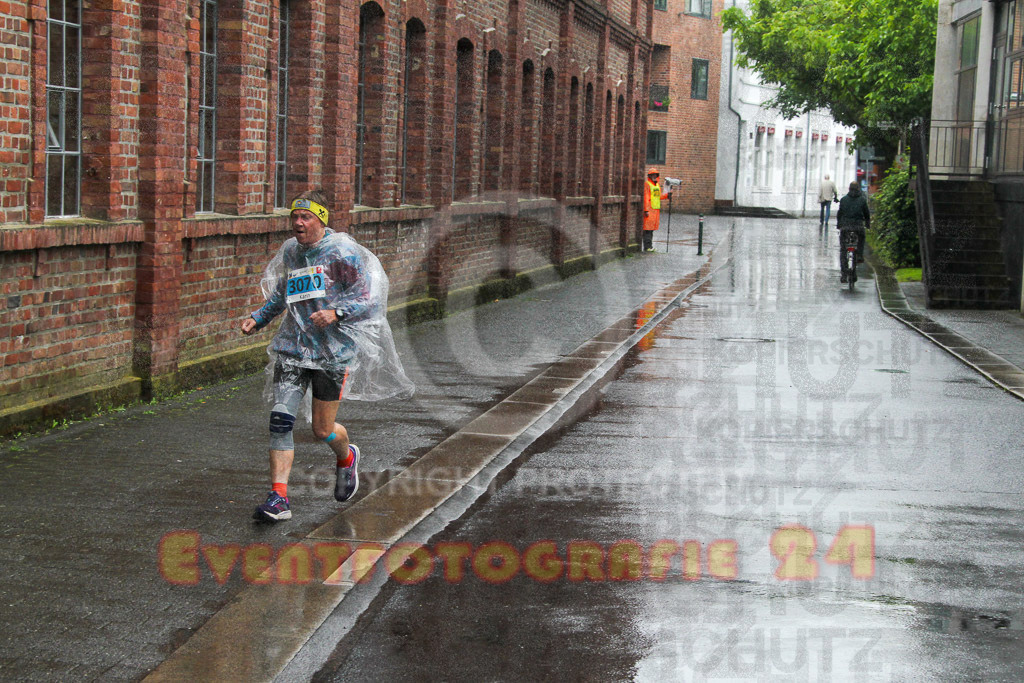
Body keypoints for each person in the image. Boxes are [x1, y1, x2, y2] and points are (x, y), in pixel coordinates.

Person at [241, 190, 413, 522]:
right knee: (280, 420)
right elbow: (283, 293)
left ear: (321, 219)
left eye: (305, 218)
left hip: (331, 352)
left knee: (321, 430)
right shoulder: (292, 251)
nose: (298, 224)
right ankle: (278, 499)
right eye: (294, 217)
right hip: (292, 347)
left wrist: (337, 312)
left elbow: (370, 300)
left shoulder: (342, 253)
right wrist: (258, 317)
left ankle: (347, 456)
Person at [835, 180, 870, 282]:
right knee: (861, 238)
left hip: (845, 227)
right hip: (858, 227)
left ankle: (844, 273)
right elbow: (866, 214)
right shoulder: (862, 200)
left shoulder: (843, 200)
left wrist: (839, 225)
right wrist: (867, 224)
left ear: (849, 189)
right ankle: (859, 254)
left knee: (843, 249)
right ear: (858, 189)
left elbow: (840, 213)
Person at [642, 168, 669, 252]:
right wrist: (646, 210)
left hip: (655, 211)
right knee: (647, 230)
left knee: (651, 230)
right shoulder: (647, 184)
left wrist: (667, 195)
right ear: (649, 176)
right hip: (650, 210)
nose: (654, 176)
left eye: (655, 175)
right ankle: (647, 247)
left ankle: (649, 246)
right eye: (652, 175)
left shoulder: (656, 185)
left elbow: (658, 196)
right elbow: (646, 197)